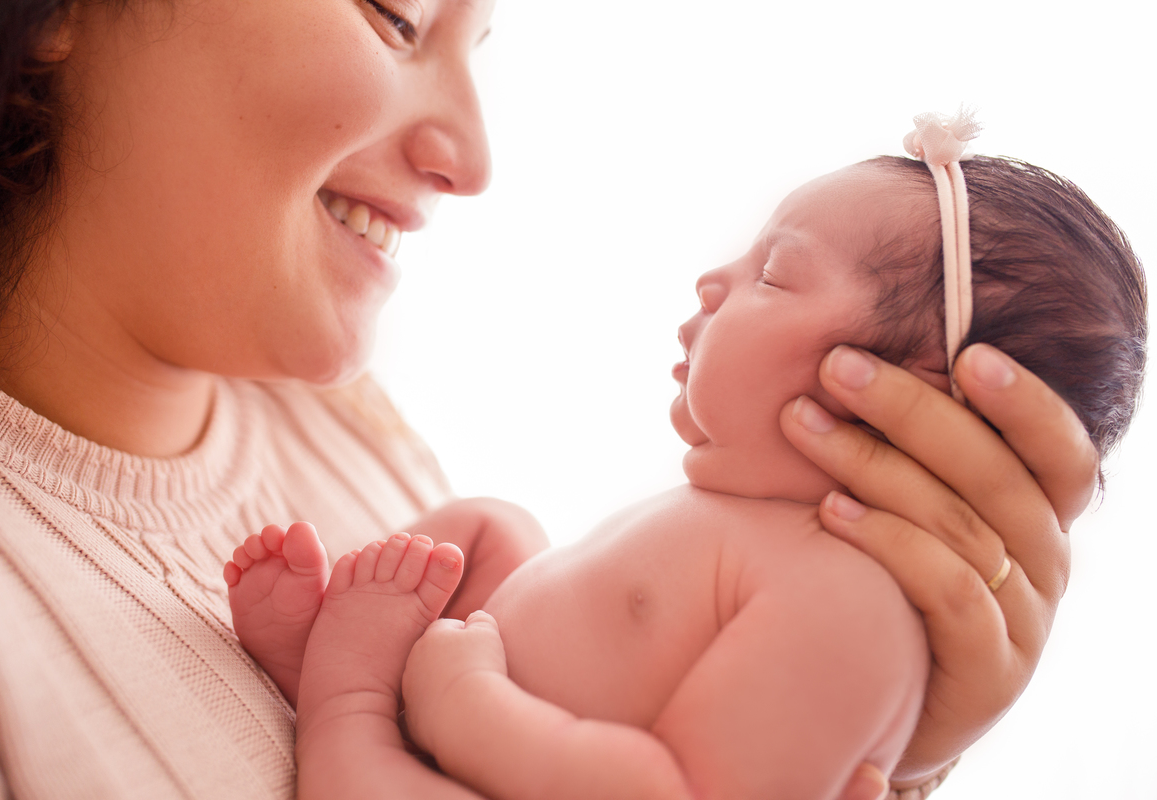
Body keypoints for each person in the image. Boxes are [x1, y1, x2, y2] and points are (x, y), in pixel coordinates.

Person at [0, 1, 1100, 798]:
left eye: (482, 42)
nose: (476, 156)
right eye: (397, 17)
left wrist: (888, 746)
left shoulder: (340, 431)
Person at [225, 143, 1146, 798]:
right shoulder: (740, 517)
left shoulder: (849, 606)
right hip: (486, 676)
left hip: (476, 751)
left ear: (900, 401)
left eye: (776, 272)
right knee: (493, 526)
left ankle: (344, 702)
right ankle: (336, 652)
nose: (715, 280)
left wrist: (459, 696)